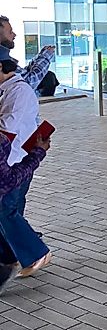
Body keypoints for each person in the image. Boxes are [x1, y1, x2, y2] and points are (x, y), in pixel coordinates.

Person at [0, 46, 51, 294]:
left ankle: (33, 253)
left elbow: (7, 128)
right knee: (8, 211)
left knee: (7, 211)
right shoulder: (8, 89)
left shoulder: (18, 92)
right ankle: (20, 256)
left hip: (16, 161)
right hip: (14, 161)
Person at [0, 15, 55, 89]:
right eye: (10, 32)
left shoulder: (5, 60)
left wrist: (40, 56)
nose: (14, 35)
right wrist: (46, 56)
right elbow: (28, 83)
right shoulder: (3, 63)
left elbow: (24, 75)